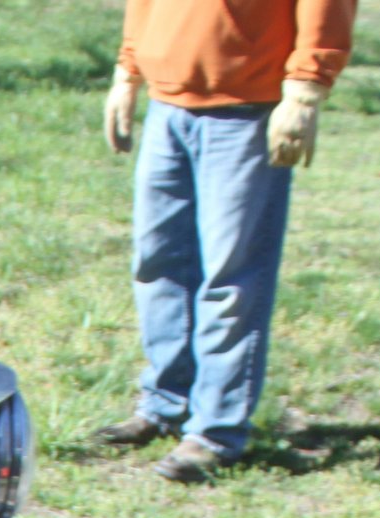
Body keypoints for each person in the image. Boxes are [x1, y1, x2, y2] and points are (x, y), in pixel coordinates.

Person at [95, 0, 357, 483]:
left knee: (231, 278)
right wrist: (128, 72)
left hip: (246, 112)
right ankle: (166, 404)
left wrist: (306, 90)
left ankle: (215, 431)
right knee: (158, 265)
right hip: (168, 107)